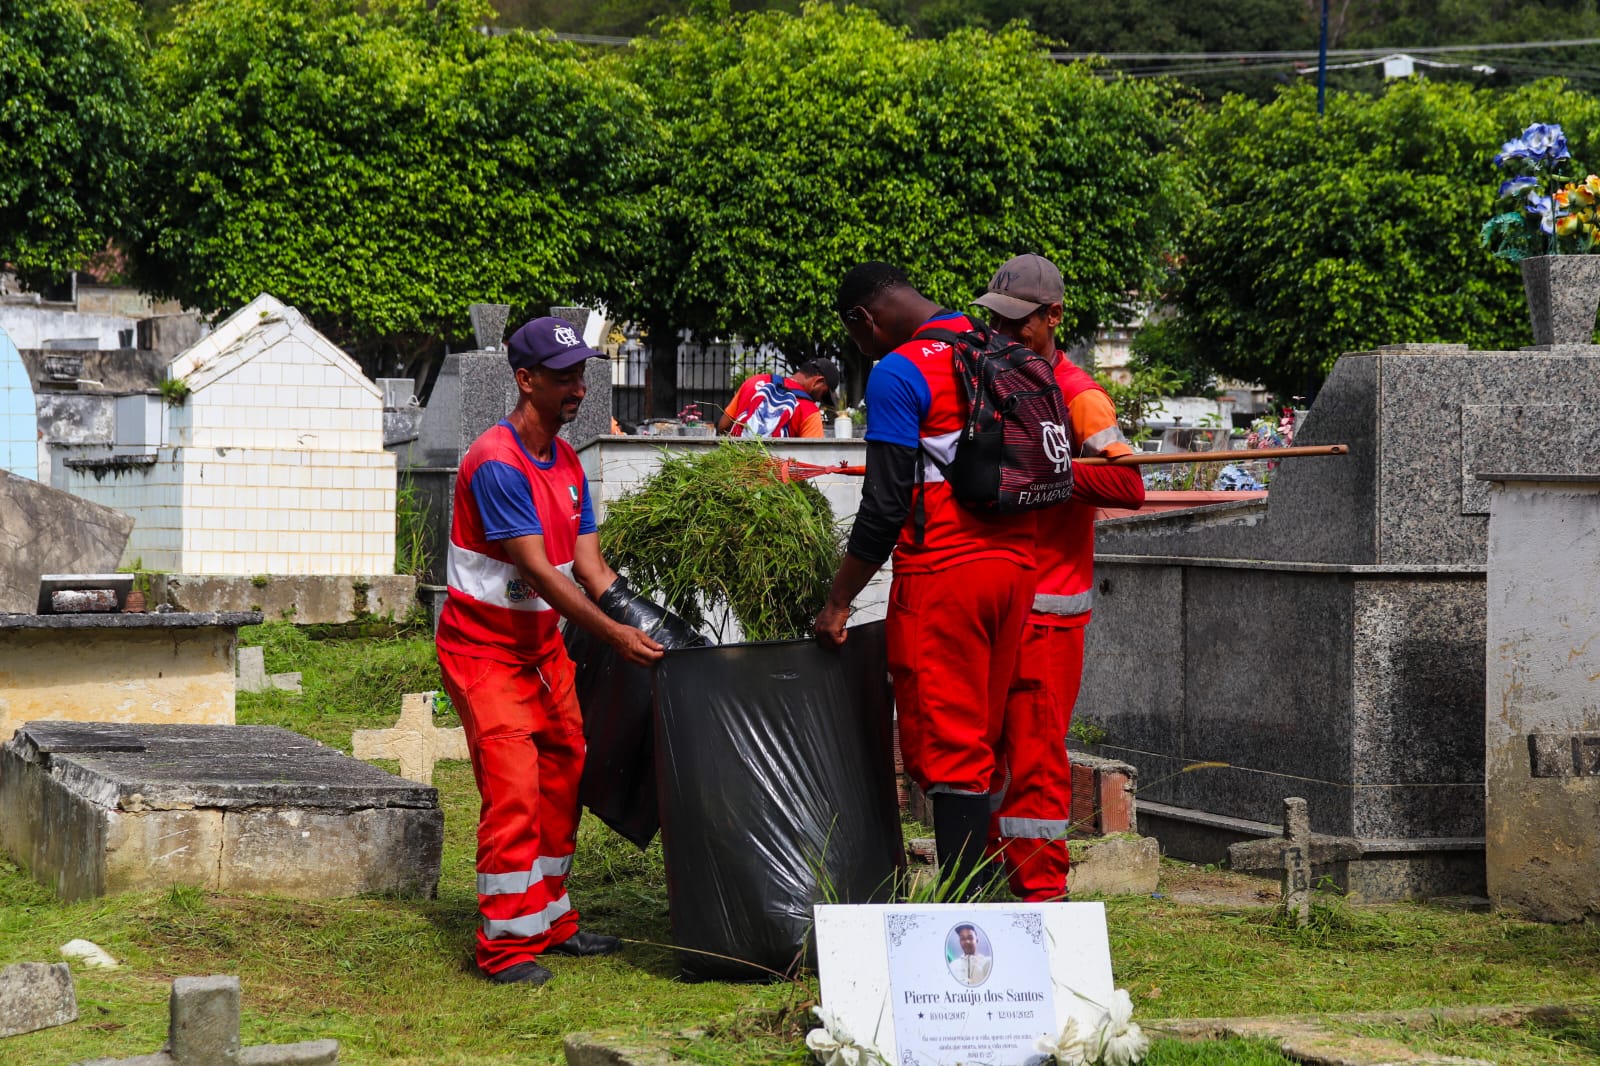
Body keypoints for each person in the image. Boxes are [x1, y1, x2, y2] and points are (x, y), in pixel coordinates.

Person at [435, 315, 665, 987]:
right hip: (485, 654)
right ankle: (505, 946)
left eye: (582, 376)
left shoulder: (565, 463)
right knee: (513, 791)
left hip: (542, 652)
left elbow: (592, 571)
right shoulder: (496, 463)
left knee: (563, 777)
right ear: (525, 379)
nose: (578, 389)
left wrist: (653, 622)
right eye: (563, 378)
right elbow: (539, 572)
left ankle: (551, 920)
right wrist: (615, 635)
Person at [813, 262, 1037, 900]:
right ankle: (987, 881)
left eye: (858, 339)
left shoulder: (900, 370)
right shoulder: (997, 346)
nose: (864, 351)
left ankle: (966, 906)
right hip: (1016, 569)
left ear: (866, 319)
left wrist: (838, 602)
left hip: (947, 573)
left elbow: (886, 506)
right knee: (984, 732)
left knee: (947, 738)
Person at [973, 254, 1145, 901]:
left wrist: (1050, 468)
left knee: (1037, 758)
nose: (1008, 334)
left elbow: (1129, 484)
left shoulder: (1081, 395)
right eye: (999, 322)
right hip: (995, 604)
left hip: (1047, 614)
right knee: (984, 753)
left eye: (1022, 324)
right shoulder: (991, 383)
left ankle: (1042, 895)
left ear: (1054, 318)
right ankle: (989, 878)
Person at [715, 357, 840, 437]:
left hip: (735, 474)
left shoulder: (754, 382)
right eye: (823, 395)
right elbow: (812, 460)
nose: (819, 400)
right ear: (818, 381)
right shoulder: (810, 412)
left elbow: (723, 426)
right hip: (773, 477)